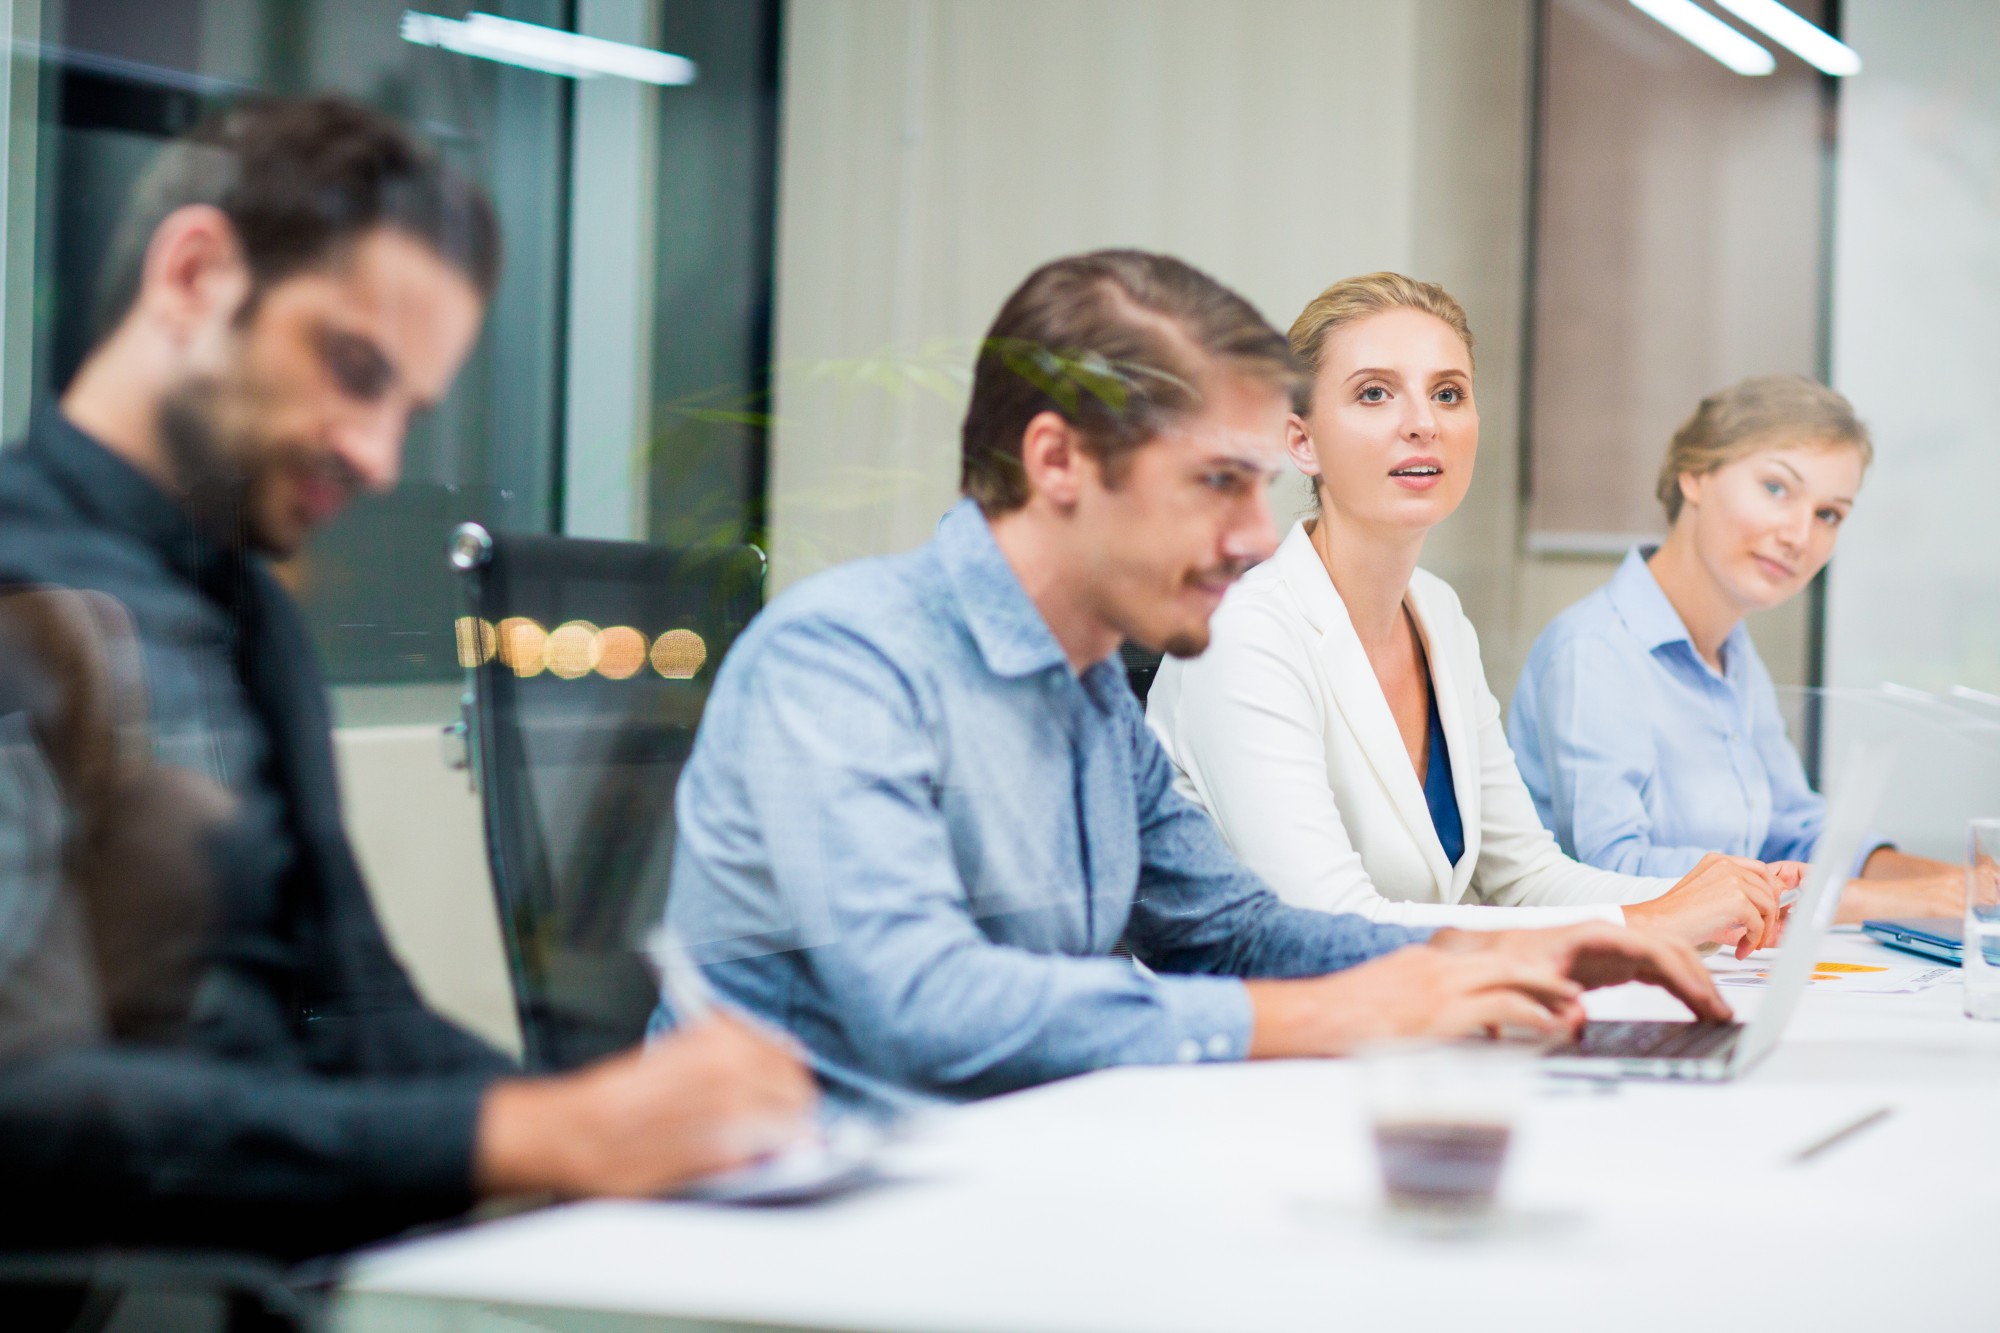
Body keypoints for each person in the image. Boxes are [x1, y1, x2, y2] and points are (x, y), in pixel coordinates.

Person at [0, 96, 814, 1265]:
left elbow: (360, 1015)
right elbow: (22, 1103)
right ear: (193, 276)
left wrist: (623, 1126)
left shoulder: (248, 615)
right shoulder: (25, 587)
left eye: (407, 410)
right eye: (352, 368)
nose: (378, 456)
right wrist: (528, 1135)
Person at [656, 250, 1730, 1114]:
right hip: (797, 1206)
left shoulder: (1083, 689)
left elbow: (1235, 931)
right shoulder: (842, 661)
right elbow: (929, 1007)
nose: (1255, 535)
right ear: (1057, 462)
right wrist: (1340, 1011)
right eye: (1216, 482)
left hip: (1002, 1168)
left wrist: (1501, 951)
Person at [1146, 273, 1794, 947]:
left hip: (1414, 1003)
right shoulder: (1243, 634)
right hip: (1265, 1011)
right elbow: (1327, 925)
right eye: (1374, 393)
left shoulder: (1437, 613)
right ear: (1302, 441)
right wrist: (1651, 921)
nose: (1423, 423)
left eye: (1448, 393)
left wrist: (1706, 897)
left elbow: (1526, 879)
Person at [1507, 374, 1962, 920]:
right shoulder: (1594, 653)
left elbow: (1795, 835)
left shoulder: (1734, 655)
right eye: (1776, 488)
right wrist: (1891, 899)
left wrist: (1958, 882)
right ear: (1695, 475)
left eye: (1828, 515)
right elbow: (1616, 871)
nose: (1799, 536)